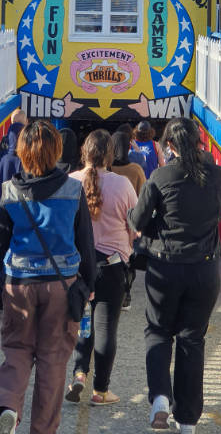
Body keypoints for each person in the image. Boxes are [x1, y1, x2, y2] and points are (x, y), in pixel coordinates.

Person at [0, 120, 95, 434]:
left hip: (19, 284)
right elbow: (86, 242)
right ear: (56, 150)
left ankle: (8, 406)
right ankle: (42, 429)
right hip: (62, 284)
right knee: (53, 362)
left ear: (21, 153)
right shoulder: (73, 189)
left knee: (16, 351)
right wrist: (89, 284)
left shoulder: (10, 191)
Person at [128, 117, 221, 433]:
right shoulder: (218, 176)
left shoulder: (160, 176)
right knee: (192, 340)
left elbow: (138, 220)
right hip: (204, 268)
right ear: (198, 141)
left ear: (169, 145)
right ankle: (187, 421)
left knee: (158, 331)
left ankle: (159, 399)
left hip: (165, 267)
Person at [66, 129, 137, 406]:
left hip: (77, 268)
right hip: (111, 267)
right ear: (110, 155)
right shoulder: (122, 185)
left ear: (84, 152)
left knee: (83, 325)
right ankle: (101, 391)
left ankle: (79, 375)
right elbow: (134, 227)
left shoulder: (70, 182)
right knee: (106, 329)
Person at [111, 130, 146, 311]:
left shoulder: (107, 169)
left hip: (109, 222)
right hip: (129, 223)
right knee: (128, 259)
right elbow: (143, 197)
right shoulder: (135, 170)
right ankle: (126, 294)